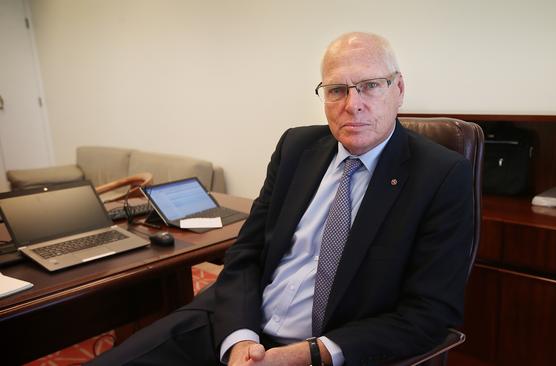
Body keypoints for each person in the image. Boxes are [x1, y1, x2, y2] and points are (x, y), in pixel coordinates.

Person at [89, 31, 473, 366]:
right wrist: (241, 339)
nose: (352, 104)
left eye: (371, 85)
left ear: (399, 89)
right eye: (337, 89)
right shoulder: (296, 147)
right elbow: (247, 253)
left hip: (325, 348)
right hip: (237, 322)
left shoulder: (441, 176)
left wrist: (304, 355)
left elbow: (429, 312)